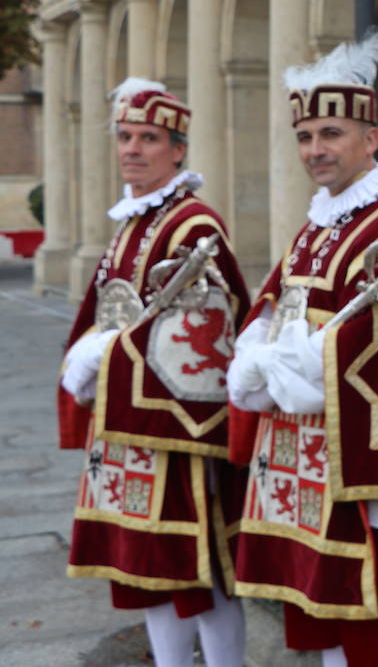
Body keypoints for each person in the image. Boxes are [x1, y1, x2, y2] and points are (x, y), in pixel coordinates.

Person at [225, 33, 378, 667]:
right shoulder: (318, 222)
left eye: (330, 133)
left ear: (370, 138)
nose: (315, 150)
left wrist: (287, 362)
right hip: (303, 451)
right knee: (323, 610)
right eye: (305, 137)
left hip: (365, 460)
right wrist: (254, 349)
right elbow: (274, 301)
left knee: (375, 613)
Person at [59, 78, 251, 667]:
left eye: (147, 138)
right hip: (128, 425)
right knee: (146, 567)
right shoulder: (132, 223)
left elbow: (208, 326)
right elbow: (108, 308)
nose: (132, 149)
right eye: (124, 137)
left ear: (178, 149)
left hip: (178, 432)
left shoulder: (194, 225)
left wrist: (106, 354)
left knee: (202, 568)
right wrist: (90, 348)